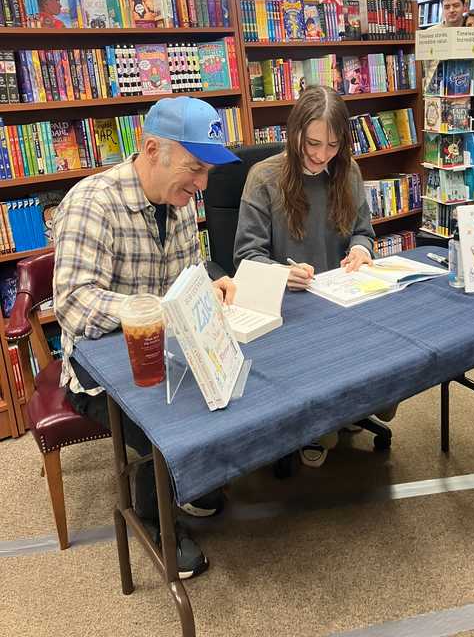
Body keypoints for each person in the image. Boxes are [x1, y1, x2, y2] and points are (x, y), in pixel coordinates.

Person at [53, 96, 239, 579]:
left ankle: (186, 479)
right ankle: (159, 523)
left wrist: (206, 281)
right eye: (193, 168)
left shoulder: (177, 205)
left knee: (231, 386)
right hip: (97, 371)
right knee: (162, 428)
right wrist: (154, 310)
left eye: (206, 173)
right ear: (152, 149)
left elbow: (185, 273)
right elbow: (73, 305)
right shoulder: (92, 204)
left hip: (166, 351)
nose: (200, 186)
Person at [233, 85, 377, 465]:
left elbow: (363, 230)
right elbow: (246, 257)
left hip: (343, 302)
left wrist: (361, 250)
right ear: (293, 131)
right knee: (323, 418)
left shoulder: (349, 171)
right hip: (290, 310)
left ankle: (340, 412)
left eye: (332, 146)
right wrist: (282, 274)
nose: (320, 155)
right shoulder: (263, 177)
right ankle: (314, 424)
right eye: (311, 143)